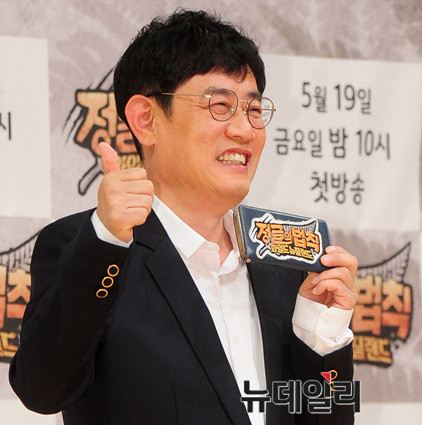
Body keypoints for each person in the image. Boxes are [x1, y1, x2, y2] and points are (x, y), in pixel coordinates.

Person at [9, 9, 357, 425]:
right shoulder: (87, 248)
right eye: (220, 106)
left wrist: (320, 337)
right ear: (146, 120)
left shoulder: (284, 263)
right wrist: (105, 241)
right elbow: (42, 389)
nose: (245, 130)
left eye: (253, 109)